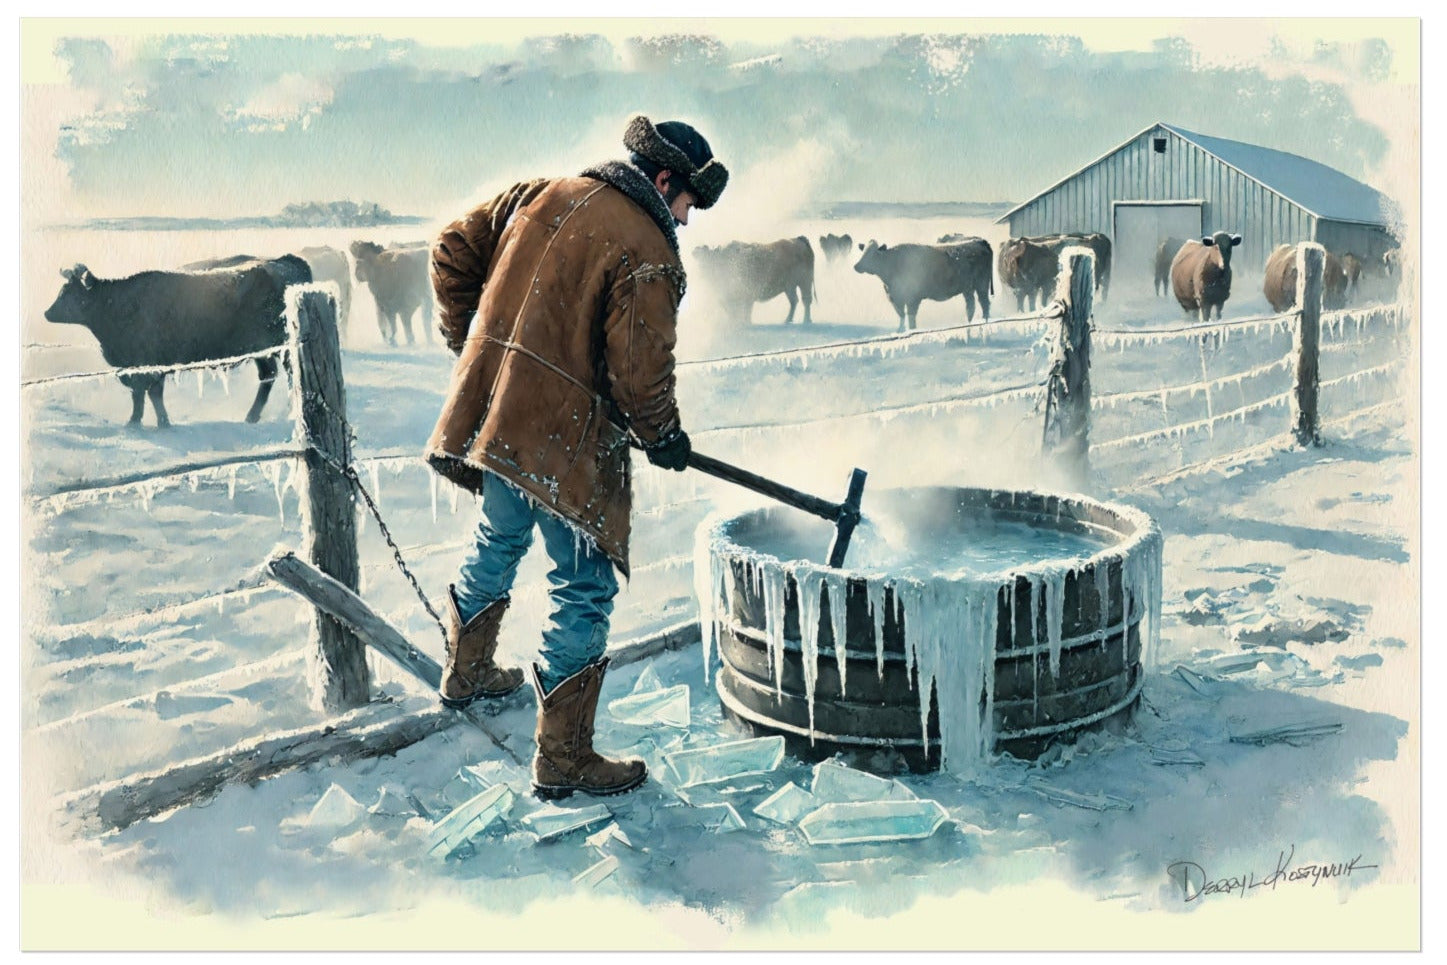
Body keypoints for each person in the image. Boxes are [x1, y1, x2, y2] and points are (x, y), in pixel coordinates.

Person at [424, 115, 727, 800]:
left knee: (497, 534)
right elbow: (639, 371)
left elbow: (450, 248)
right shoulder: (649, 249)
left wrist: (478, 347)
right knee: (583, 586)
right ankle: (564, 756)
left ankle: (465, 671)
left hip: (499, 418)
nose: (686, 220)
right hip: (569, 439)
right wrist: (662, 433)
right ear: (663, 181)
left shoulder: (539, 192)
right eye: (687, 204)